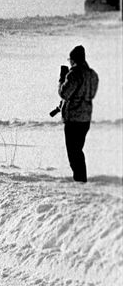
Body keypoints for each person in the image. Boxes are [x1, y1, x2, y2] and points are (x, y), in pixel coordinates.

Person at [58, 45, 99, 183]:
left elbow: (64, 93)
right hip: (85, 119)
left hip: (73, 119)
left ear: (73, 60)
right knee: (78, 151)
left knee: (74, 154)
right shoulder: (92, 74)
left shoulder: (74, 74)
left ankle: (80, 182)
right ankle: (81, 180)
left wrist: (62, 79)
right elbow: (92, 94)